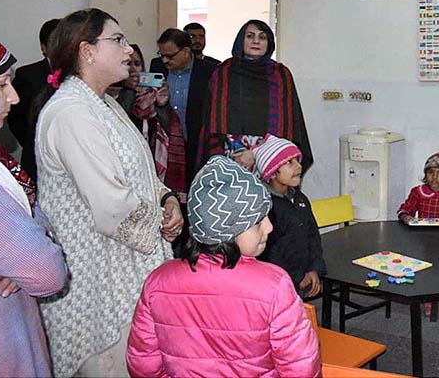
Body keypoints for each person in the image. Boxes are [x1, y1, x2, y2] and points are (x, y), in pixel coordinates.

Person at [35, 8, 183, 377]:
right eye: (117, 40)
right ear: (87, 51)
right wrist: (161, 225)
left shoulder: (104, 103)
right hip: (98, 282)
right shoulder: (72, 112)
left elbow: (140, 173)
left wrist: (167, 199)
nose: (129, 50)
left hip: (125, 268)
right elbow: (111, 205)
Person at [127, 154, 321, 377]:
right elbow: (301, 369)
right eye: (257, 221)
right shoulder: (274, 285)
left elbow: (143, 366)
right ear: (227, 230)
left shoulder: (157, 282)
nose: (268, 227)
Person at [0, 37, 67, 377]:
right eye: (2, 84)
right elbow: (46, 272)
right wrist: (31, 250)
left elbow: (39, 219)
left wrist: (27, 246)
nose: (14, 96)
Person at [199, 19, 313, 174]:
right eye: (250, 36)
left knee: (270, 198)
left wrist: (257, 152)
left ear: (269, 43)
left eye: (262, 37)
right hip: (229, 157)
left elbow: (288, 125)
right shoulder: (224, 72)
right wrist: (235, 152)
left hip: (272, 156)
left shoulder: (280, 74)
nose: (256, 41)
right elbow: (213, 120)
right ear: (241, 40)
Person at [253, 134, 326, 298]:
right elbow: (271, 251)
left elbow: (312, 234)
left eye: (298, 161)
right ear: (272, 173)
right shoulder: (265, 206)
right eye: (289, 163)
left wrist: (313, 268)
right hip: (275, 282)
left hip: (301, 274)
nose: (298, 167)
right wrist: (296, 276)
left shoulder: (300, 199)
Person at [111, 44, 186, 199]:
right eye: (128, 64)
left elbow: (169, 130)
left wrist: (162, 104)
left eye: (137, 64)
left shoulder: (152, 93)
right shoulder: (109, 93)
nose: (133, 69)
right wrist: (129, 90)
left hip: (152, 164)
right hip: (123, 168)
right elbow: (117, 120)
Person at [149, 28, 217, 190]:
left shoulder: (209, 70)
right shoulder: (156, 67)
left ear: (186, 52)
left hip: (197, 145)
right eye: (161, 54)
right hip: (165, 146)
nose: (165, 60)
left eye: (169, 56)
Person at [7, 18, 60, 183]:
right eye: (54, 42)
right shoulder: (27, 74)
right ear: (43, 47)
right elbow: (15, 118)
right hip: (35, 161)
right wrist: (33, 142)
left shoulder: (77, 74)